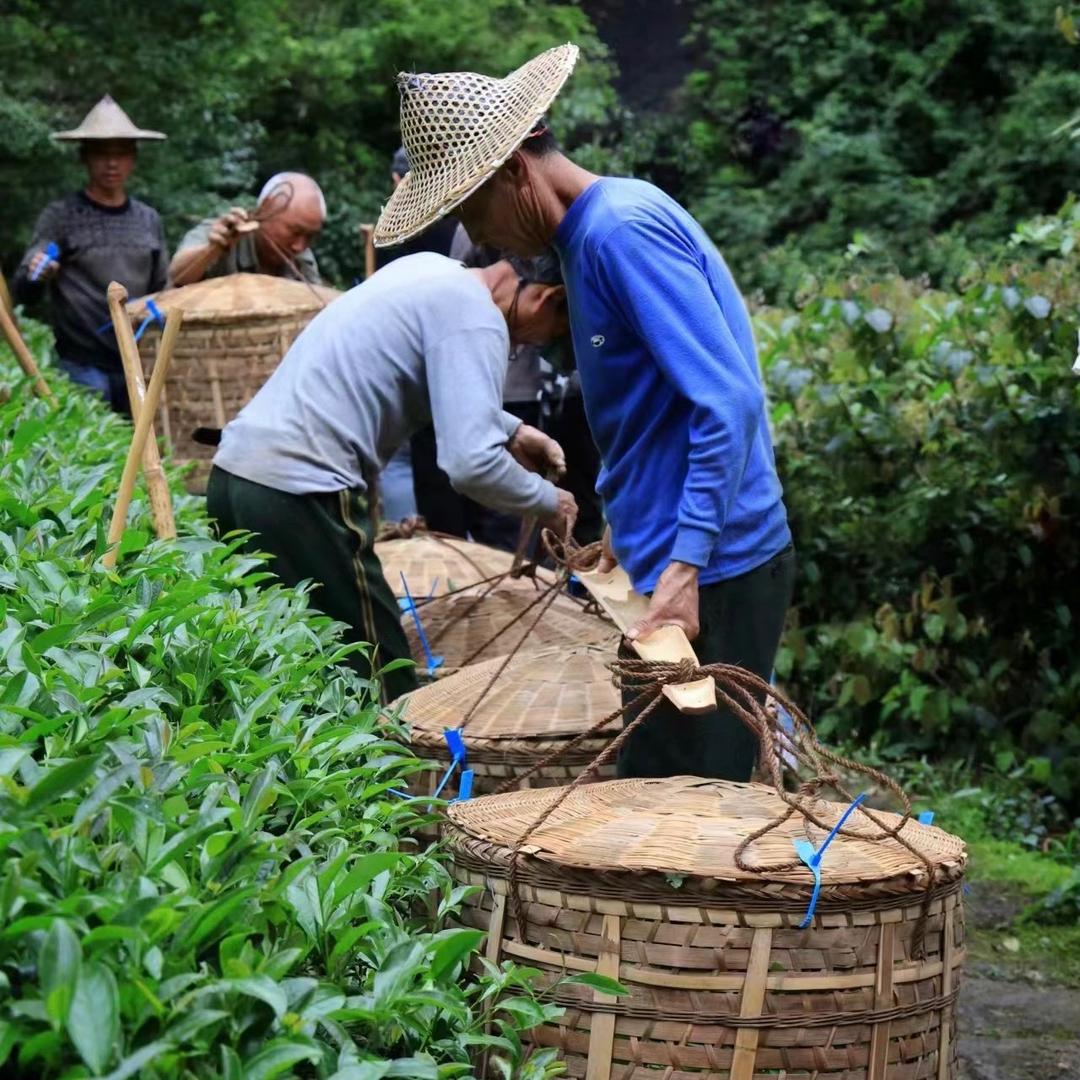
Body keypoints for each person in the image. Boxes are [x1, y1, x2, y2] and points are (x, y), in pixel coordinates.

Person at [373, 44, 794, 781]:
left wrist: (686, 565)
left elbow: (728, 402)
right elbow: (642, 414)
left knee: (687, 810)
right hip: (667, 564)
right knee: (655, 787)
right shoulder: (582, 243)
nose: (489, 239)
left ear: (514, 171)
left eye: (477, 211)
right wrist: (623, 532)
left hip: (717, 569)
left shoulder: (620, 233)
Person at [206, 251, 578, 702]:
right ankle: (391, 774)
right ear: (548, 299)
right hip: (300, 491)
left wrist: (513, 430)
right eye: (550, 335)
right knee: (380, 672)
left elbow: (418, 377)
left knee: (275, 661)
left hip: (234, 476)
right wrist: (549, 502)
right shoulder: (476, 317)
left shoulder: (427, 271)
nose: (531, 346)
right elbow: (470, 465)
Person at [12, 95, 169, 414]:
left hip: (138, 362)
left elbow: (162, 288)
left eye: (121, 154)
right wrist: (39, 270)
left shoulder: (147, 219)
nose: (112, 164)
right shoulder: (62, 216)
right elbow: (25, 286)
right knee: (95, 451)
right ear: (84, 158)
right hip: (82, 363)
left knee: (143, 449)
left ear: (133, 159)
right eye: (101, 154)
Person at [374, 147, 463, 522]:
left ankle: (431, 541)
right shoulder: (459, 215)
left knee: (417, 465)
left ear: (399, 181)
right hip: (454, 354)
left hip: (409, 360)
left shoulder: (392, 229)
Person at [169, 172, 325, 286]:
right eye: (295, 232)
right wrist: (212, 249)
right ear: (265, 210)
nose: (299, 246)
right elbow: (178, 276)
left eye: (310, 237)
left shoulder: (302, 258)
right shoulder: (222, 234)